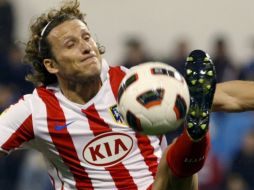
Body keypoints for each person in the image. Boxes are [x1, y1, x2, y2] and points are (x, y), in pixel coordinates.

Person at [0, 1, 216, 189]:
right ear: (51, 65)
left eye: (86, 37)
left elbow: (231, 97)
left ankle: (196, 132)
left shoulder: (131, 83)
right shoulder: (36, 110)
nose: (85, 47)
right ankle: (195, 136)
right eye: (70, 44)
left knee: (173, 161)